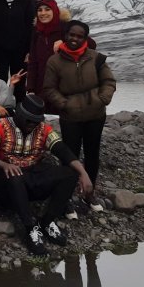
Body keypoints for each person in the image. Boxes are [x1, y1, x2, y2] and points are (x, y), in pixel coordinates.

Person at [0, 94, 93, 256]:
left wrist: (83, 173)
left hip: (30, 176)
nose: (31, 125)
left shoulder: (43, 129)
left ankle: (47, 222)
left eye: (35, 121)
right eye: (28, 120)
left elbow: (62, 150)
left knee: (69, 174)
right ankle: (30, 228)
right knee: (14, 175)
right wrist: (4, 164)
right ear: (19, 115)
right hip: (2, 184)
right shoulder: (0, 125)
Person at [42, 20, 117, 187]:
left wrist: (102, 99)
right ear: (66, 35)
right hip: (70, 117)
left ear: (85, 39)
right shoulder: (55, 61)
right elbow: (49, 88)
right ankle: (66, 193)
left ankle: (90, 191)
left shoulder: (96, 58)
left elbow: (109, 81)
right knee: (70, 155)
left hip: (95, 114)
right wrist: (65, 104)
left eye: (80, 36)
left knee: (92, 154)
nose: (75, 38)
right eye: (72, 35)